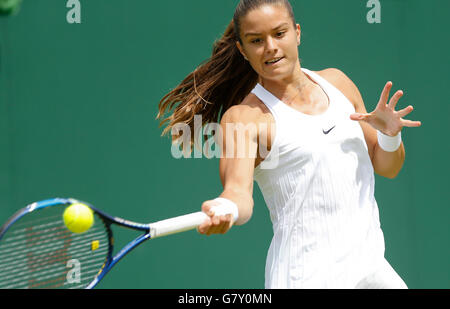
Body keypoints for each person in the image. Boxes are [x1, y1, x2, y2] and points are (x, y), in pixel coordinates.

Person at [157, 0, 421, 289]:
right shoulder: (244, 119)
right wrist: (227, 207)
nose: (270, 47)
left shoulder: (339, 83)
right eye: (256, 41)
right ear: (243, 50)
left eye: (279, 33)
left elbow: (388, 167)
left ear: (297, 33)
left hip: (372, 273)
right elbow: (238, 193)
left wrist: (390, 135)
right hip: (306, 278)